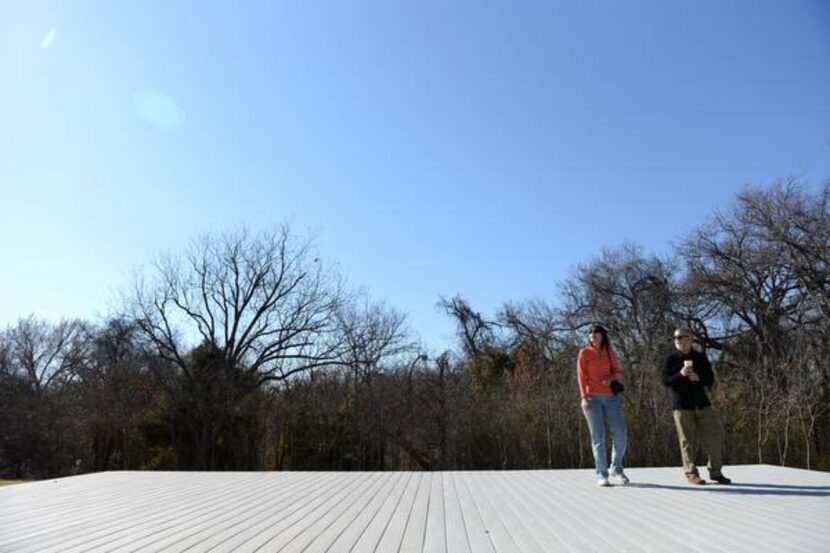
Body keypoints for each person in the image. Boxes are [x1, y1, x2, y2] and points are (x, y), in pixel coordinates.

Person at [663, 328, 731, 485]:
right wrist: (681, 374)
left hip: (702, 403)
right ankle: (692, 474)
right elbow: (665, 381)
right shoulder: (671, 359)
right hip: (681, 405)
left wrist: (698, 378)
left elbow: (710, 380)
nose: (678, 340)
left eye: (681, 337)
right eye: (675, 338)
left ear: (690, 339)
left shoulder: (700, 357)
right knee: (687, 441)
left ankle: (716, 472)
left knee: (714, 437)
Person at [577, 324, 629, 487]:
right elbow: (581, 377)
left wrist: (612, 379)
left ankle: (617, 468)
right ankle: (601, 474)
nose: (592, 334)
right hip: (592, 398)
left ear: (602, 335)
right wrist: (583, 397)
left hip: (611, 398)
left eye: (595, 332)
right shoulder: (584, 353)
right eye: (590, 332)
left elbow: (618, 371)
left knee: (620, 433)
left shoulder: (609, 352)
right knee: (598, 438)